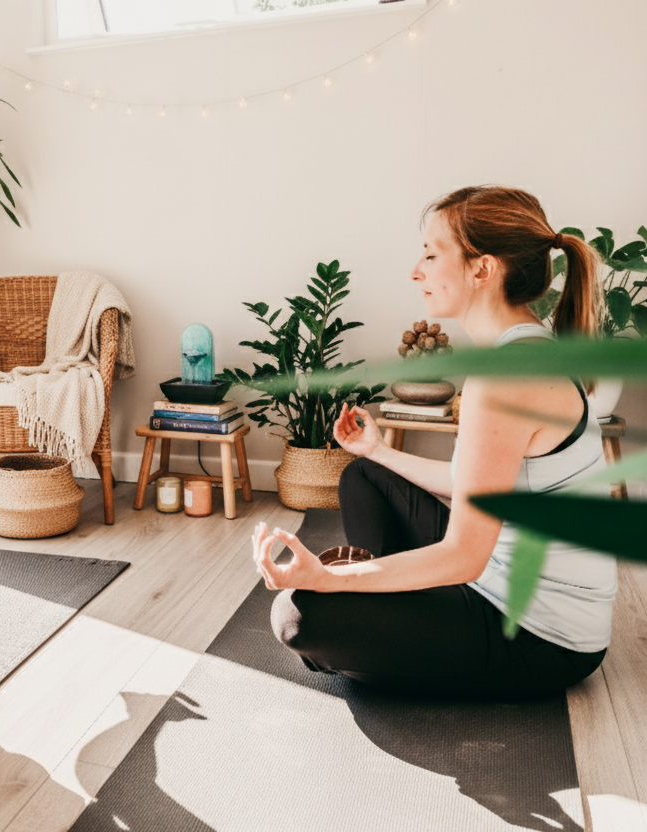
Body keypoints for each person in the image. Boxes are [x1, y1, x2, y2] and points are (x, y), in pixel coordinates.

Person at [254, 185, 616, 700]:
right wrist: (377, 451)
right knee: (363, 475)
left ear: (482, 269)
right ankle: (383, 598)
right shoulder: (524, 351)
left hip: (539, 638)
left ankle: (372, 606)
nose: (416, 270)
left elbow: (465, 555)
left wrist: (335, 581)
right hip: (498, 576)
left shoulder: (508, 375)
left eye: (430, 253)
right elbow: (476, 484)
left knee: (297, 616)